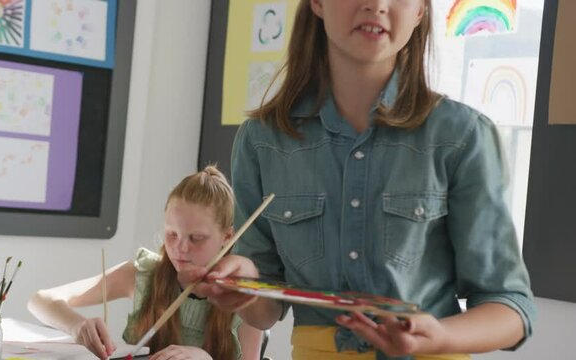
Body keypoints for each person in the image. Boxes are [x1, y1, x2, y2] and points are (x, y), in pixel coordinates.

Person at [185, 0, 536, 359]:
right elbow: (266, 310)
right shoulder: (261, 140)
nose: (377, 5)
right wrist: (242, 287)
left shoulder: (464, 136)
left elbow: (511, 308)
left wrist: (441, 336)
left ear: (420, 12)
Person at [28, 166, 263, 360]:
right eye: (172, 235)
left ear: (227, 237)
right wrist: (77, 327)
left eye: (196, 238)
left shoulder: (243, 298)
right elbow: (39, 301)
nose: (180, 248)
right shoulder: (144, 274)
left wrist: (205, 358)